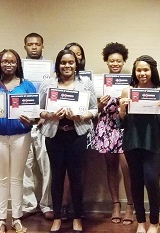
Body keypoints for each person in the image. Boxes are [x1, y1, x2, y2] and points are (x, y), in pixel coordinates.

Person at [39, 49, 98, 233]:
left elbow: (95, 109)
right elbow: (38, 110)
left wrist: (81, 116)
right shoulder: (48, 84)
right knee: (56, 177)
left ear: (76, 64)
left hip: (76, 135)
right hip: (54, 135)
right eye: (63, 62)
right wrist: (50, 114)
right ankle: (57, 217)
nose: (67, 66)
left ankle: (77, 217)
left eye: (70, 62)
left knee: (76, 178)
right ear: (58, 65)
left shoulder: (85, 84)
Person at [0, 49, 35, 233]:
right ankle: (1, 220)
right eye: (5, 61)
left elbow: (36, 115)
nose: (9, 64)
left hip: (21, 136)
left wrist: (32, 120)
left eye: (12, 61)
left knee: (17, 178)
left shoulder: (27, 86)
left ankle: (17, 219)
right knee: (1, 179)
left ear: (18, 64)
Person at [118, 55, 160, 233]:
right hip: (132, 142)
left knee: (152, 181)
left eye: (146, 69)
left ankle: (154, 222)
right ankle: (141, 221)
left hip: (153, 142)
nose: (142, 73)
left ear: (152, 71)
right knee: (136, 182)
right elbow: (122, 124)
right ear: (135, 71)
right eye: (139, 70)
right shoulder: (128, 91)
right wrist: (122, 110)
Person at [92, 42, 134, 225]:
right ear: (106, 62)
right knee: (111, 167)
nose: (115, 64)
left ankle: (130, 206)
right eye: (111, 61)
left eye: (118, 61)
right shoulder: (98, 82)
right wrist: (101, 103)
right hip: (106, 125)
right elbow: (93, 108)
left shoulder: (131, 81)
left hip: (125, 126)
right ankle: (115, 204)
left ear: (124, 62)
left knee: (127, 168)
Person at [21, 32, 54, 220]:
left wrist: (44, 115)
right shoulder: (18, 69)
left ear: (43, 46)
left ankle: (47, 204)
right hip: (23, 123)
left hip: (45, 123)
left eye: (37, 44)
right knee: (25, 166)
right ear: (25, 46)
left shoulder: (52, 69)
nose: (34, 47)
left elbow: (56, 94)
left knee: (47, 165)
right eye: (30, 44)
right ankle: (28, 204)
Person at [61, 42, 87, 220]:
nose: (74, 57)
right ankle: (63, 205)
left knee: (79, 172)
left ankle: (78, 208)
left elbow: (91, 107)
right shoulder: (53, 82)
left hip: (80, 129)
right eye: (71, 55)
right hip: (57, 131)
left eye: (78, 55)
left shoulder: (86, 81)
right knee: (60, 174)